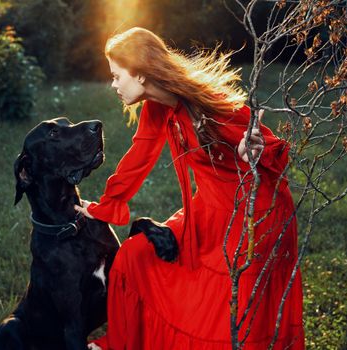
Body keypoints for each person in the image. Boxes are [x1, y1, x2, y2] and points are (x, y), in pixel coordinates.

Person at [74, 27, 304, 350]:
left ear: (139, 74)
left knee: (227, 320)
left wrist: (253, 151)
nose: (112, 85)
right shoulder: (157, 108)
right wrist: (104, 206)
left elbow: (270, 146)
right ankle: (122, 343)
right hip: (208, 209)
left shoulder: (204, 104)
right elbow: (137, 160)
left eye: (116, 75)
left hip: (253, 215)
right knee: (133, 256)